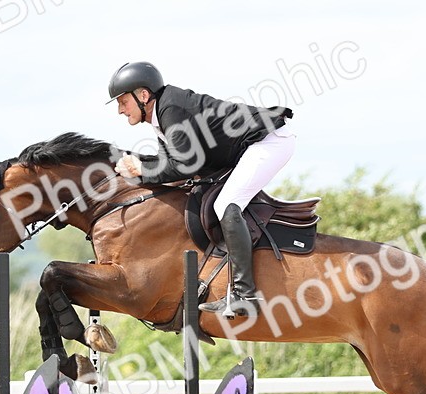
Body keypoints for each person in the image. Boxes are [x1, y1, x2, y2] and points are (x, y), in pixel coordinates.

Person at [108, 61, 296, 316]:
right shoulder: (161, 114)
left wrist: (141, 168)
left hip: (268, 142)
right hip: (246, 148)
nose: (120, 110)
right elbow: (169, 163)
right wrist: (137, 171)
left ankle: (245, 295)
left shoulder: (171, 109)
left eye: (123, 102)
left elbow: (184, 166)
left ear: (143, 95)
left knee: (226, 204)